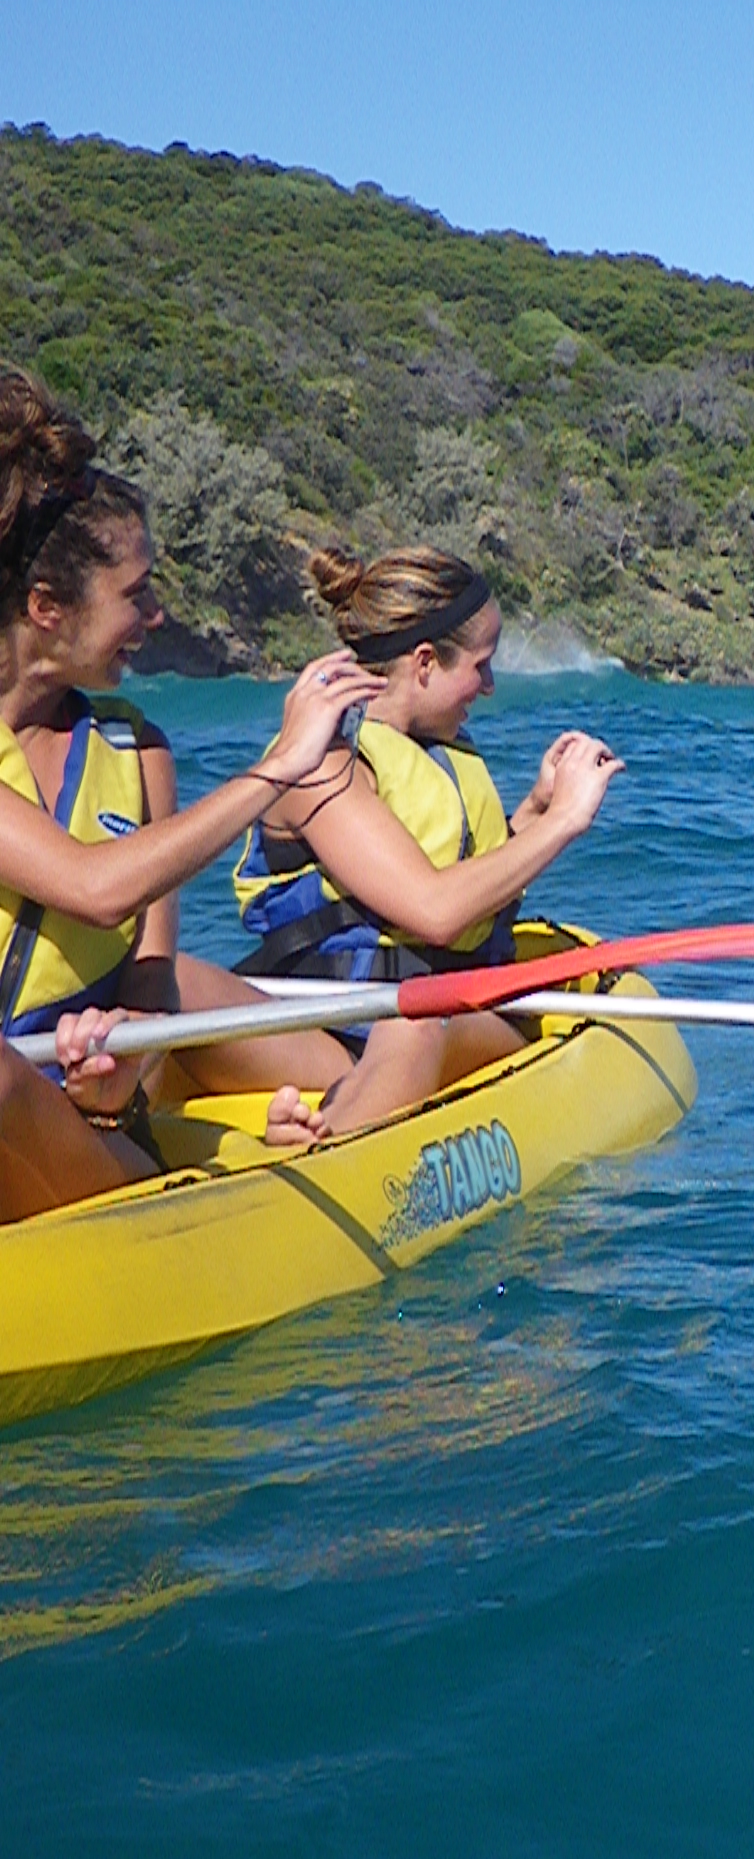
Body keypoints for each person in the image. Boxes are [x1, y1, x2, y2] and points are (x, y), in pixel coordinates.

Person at [1, 366, 381, 1220]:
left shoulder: (139, 753)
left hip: (92, 1140)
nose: (157, 616)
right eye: (135, 594)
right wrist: (276, 769)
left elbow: (150, 982)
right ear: (46, 607)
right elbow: (96, 888)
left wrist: (117, 1077)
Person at [236, 544, 621, 1143]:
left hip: (439, 1020)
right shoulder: (323, 763)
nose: (489, 686)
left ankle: (325, 1139)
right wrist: (564, 821)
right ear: (423, 663)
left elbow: (460, 896)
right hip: (327, 1023)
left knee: (413, 1021)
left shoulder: (436, 749)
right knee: (168, 981)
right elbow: (435, 911)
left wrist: (534, 813)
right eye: (481, 665)